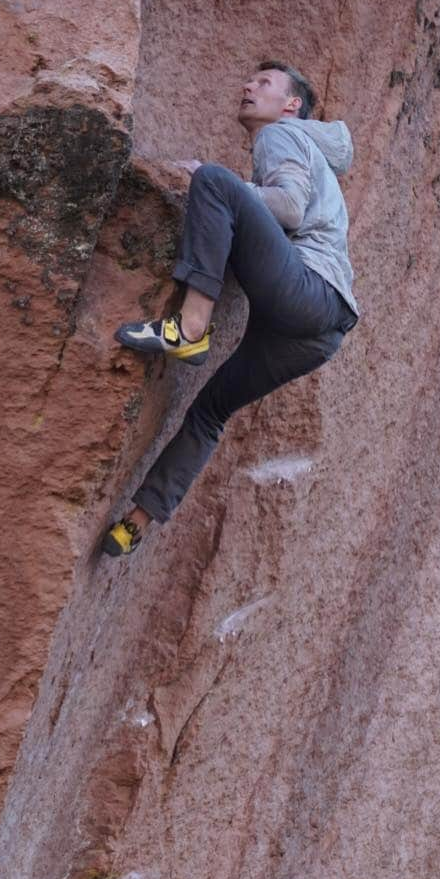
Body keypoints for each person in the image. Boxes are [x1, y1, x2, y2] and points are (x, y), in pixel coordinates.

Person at [101, 60, 359, 557]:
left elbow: (287, 208)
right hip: (318, 333)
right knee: (210, 412)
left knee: (216, 181)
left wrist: (216, 185)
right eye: (250, 79)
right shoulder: (304, 149)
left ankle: (190, 327)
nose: (248, 85)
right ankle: (134, 523)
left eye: (264, 82)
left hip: (308, 292)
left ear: (291, 105)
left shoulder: (281, 134)